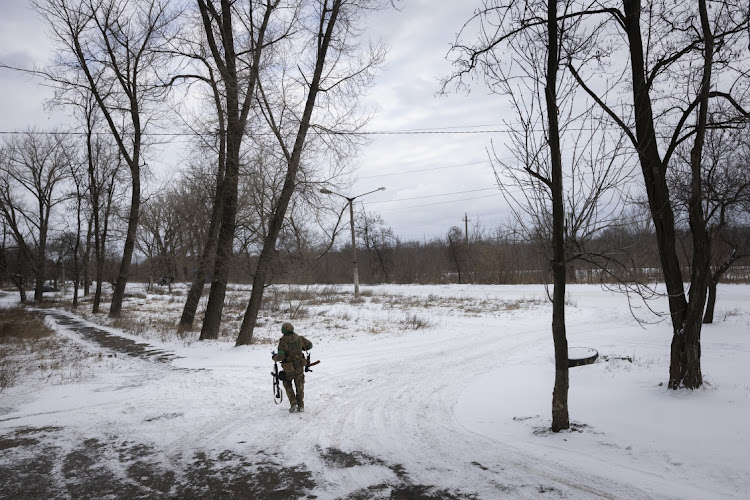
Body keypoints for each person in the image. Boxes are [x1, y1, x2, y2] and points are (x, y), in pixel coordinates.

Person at [272, 322, 313, 413]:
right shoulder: (300, 339)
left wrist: (274, 357)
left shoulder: (283, 342)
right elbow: (310, 345)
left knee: (287, 384)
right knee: (300, 386)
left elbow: (281, 357)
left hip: (288, 368)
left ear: (283, 331)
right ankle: (301, 405)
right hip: (299, 366)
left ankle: (293, 404)